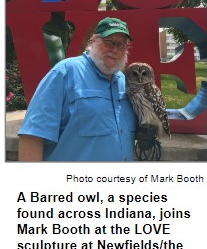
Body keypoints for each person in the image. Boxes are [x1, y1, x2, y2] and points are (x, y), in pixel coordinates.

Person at [18, 17, 137, 161]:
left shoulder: (126, 83)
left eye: (121, 45)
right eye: (109, 42)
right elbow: (32, 136)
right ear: (93, 41)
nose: (115, 49)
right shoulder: (65, 73)